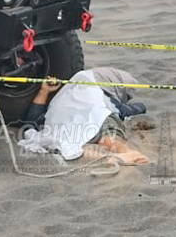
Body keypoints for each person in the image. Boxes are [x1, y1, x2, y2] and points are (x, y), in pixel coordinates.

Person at [17, 67, 149, 165]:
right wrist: (137, 108)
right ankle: (124, 152)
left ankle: (116, 156)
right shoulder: (103, 95)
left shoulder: (65, 92)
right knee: (105, 130)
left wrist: (44, 90)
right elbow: (133, 108)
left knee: (68, 143)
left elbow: (31, 122)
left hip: (62, 123)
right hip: (91, 115)